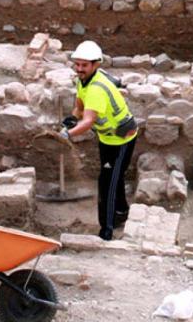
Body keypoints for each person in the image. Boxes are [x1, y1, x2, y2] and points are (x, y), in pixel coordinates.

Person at [60, 41, 138, 241]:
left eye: (84, 65)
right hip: (107, 138)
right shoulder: (82, 81)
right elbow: (79, 107)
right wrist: (72, 118)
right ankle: (121, 211)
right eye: (77, 64)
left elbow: (89, 121)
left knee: (107, 182)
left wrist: (69, 134)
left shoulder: (96, 88)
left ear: (96, 65)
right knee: (114, 176)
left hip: (122, 140)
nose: (79, 69)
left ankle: (107, 230)